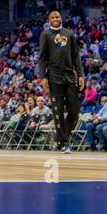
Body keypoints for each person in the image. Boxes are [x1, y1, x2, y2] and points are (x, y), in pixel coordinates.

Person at [38, 10, 84, 152]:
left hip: (70, 75)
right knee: (57, 110)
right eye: (52, 17)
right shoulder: (45, 34)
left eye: (57, 16)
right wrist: (43, 76)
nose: (55, 18)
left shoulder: (69, 34)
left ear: (61, 18)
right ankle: (64, 142)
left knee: (74, 110)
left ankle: (61, 137)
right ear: (49, 20)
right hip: (53, 75)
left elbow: (76, 55)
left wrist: (80, 74)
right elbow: (42, 57)